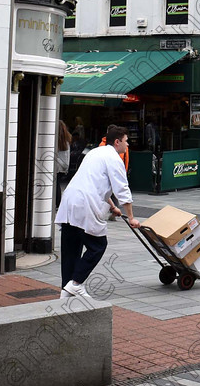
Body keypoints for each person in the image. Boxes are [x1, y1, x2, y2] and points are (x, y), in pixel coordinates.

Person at [54, 126, 140, 298]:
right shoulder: (115, 159)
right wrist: (131, 217)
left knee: (71, 246)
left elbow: (95, 181)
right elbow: (122, 190)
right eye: (126, 141)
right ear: (117, 142)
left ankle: (66, 289)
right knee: (98, 246)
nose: (128, 145)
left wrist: (113, 207)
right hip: (85, 203)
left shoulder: (95, 153)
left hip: (70, 200)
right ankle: (76, 283)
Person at [55, 120, 72, 207]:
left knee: (55, 184)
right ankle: (58, 203)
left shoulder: (56, 140)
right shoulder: (67, 139)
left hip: (57, 165)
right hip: (64, 165)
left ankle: (57, 202)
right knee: (58, 183)